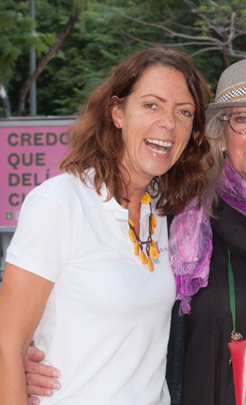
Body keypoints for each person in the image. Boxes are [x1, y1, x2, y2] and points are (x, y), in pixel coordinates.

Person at [23, 58, 246, 405]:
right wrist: (29, 355)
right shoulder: (180, 216)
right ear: (221, 138)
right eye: (241, 119)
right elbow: (124, 303)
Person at [0, 47, 211, 404]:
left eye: (184, 112)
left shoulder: (169, 212)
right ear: (117, 112)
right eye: (152, 105)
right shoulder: (60, 202)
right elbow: (7, 346)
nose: (169, 123)